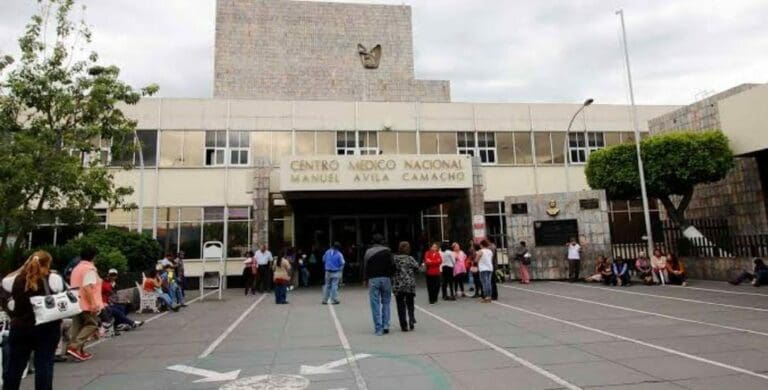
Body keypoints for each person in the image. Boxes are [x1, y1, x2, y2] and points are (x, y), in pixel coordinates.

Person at [1, 251, 63, 390]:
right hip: (46, 328)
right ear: (48, 263)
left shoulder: (15, 280)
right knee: (44, 365)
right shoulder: (53, 279)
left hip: (20, 328)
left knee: (14, 367)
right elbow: (62, 291)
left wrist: (24, 267)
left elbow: (4, 280)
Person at [67, 246, 104, 362]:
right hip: (86, 303)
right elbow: (87, 287)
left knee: (77, 327)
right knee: (92, 324)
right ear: (94, 257)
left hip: (76, 302)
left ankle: (78, 351)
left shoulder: (77, 268)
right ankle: (74, 347)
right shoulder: (89, 269)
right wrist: (93, 303)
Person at [364, 234, 395, 335]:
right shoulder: (388, 251)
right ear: (382, 241)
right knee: (386, 302)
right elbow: (393, 265)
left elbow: (365, 266)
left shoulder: (368, 252)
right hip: (386, 279)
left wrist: (365, 279)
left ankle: (378, 328)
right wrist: (392, 277)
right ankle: (386, 325)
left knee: (375, 304)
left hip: (373, 279)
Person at [392, 241, 419, 332]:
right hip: (409, 284)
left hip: (399, 285)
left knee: (400, 305)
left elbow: (391, 269)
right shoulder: (410, 258)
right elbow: (417, 267)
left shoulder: (395, 259)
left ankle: (403, 325)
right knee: (410, 303)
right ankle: (411, 318)